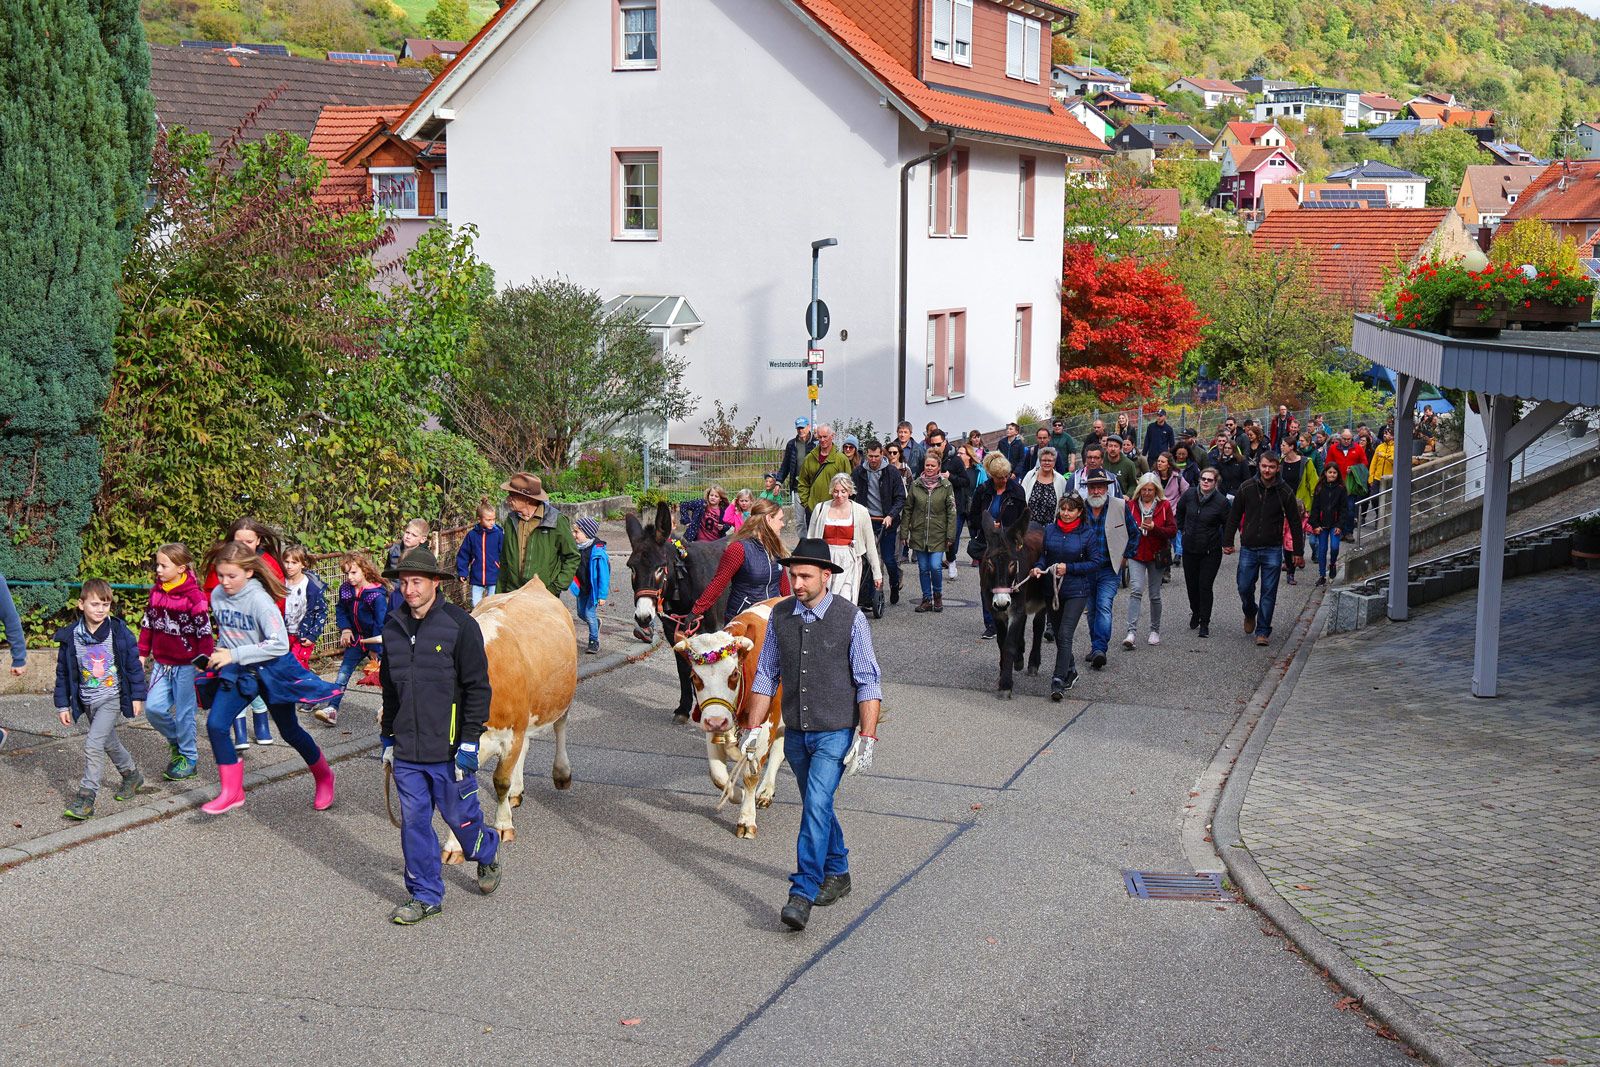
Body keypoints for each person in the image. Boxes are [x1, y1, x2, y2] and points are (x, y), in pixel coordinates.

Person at [740, 537, 883, 932]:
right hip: (796, 733)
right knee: (817, 806)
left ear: (826, 576)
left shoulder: (851, 618)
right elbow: (767, 674)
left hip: (835, 730)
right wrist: (754, 730)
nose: (797, 582)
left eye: (805, 576)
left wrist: (867, 738)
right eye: (792, 575)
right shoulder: (781, 616)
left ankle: (802, 892)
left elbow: (868, 680)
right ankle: (838, 871)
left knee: (816, 804)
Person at [379, 547, 501, 924]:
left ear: (435, 583)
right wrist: (387, 738)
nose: (409, 589)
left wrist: (469, 740)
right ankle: (426, 894)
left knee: (462, 822)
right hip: (408, 752)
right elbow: (389, 687)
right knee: (414, 824)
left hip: (450, 752)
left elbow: (478, 688)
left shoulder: (460, 626)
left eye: (417, 581)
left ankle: (487, 851)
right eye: (403, 582)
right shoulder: (392, 627)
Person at [199, 541, 339, 815]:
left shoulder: (260, 601)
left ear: (249, 572)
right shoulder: (217, 595)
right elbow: (229, 635)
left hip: (271, 670)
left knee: (290, 731)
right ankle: (232, 791)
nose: (225, 582)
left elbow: (279, 644)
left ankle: (324, 776)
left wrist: (235, 654)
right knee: (216, 725)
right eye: (221, 575)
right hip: (240, 672)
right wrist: (220, 655)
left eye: (232, 576)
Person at [56, 580, 149, 820]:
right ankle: (132, 775)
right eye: (95, 604)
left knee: (93, 744)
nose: (100, 609)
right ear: (81, 604)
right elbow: (64, 673)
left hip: (111, 698)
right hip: (87, 700)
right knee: (109, 742)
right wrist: (63, 704)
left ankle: (86, 799)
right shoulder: (71, 637)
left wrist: (138, 696)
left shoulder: (118, 633)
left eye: (105, 604)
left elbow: (133, 666)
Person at [203, 518, 285, 749]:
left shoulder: (267, 565)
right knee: (230, 688)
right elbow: (213, 593)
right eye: (239, 540)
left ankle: (262, 723)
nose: (244, 545)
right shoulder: (223, 568)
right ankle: (238, 731)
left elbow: (277, 601)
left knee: (285, 723)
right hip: (232, 638)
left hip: (262, 640)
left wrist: (258, 620)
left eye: (249, 540)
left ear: (258, 540)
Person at [138, 543, 213, 782]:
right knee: (154, 709)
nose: (158, 569)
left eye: (163, 565)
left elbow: (204, 633)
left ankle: (189, 759)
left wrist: (203, 661)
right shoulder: (156, 592)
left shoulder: (194, 597)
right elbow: (147, 624)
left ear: (181, 568)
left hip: (187, 666)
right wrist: (141, 653)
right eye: (157, 564)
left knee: (185, 714)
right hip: (162, 663)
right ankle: (177, 742)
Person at [1224, 453, 1304, 647]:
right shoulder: (1247, 487)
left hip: (1272, 548)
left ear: (1278, 468)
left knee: (1269, 591)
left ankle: (1263, 630)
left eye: (1271, 467)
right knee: (1244, 586)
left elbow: (1294, 521)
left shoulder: (1284, 491)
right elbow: (1234, 515)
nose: (1267, 470)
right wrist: (1227, 540)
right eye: (1264, 466)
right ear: (1259, 466)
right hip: (1249, 547)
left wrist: (1298, 552)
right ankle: (1250, 611)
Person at [1035, 493, 1104, 697]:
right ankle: (1071, 670)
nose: (1065, 514)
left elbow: (1095, 562)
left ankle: (1058, 679)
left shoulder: (1087, 534)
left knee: (1065, 634)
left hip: (1077, 590)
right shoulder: (1049, 530)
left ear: (1079, 512)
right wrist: (1038, 568)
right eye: (1063, 509)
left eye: (1070, 510)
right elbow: (1043, 556)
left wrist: (1070, 568)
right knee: (1058, 634)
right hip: (1052, 590)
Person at [316, 551, 388, 727]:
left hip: (374, 642)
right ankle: (332, 709)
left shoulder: (376, 595)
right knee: (343, 674)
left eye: (353, 572)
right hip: (356, 641)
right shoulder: (346, 590)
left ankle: (389, 710)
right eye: (346, 573)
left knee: (384, 678)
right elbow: (341, 610)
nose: (349, 577)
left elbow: (380, 622)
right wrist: (346, 629)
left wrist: (375, 648)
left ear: (364, 570)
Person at [692, 498, 793, 619]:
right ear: (768, 519)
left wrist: (790, 612)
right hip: (743, 620)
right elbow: (718, 584)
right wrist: (695, 612)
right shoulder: (738, 549)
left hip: (769, 618)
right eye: (780, 519)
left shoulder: (775, 548)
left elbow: (783, 585)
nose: (783, 524)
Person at [969, 453, 1028, 639]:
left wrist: (1014, 534)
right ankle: (991, 623)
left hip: (1009, 544)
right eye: (999, 477)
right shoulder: (982, 490)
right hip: (988, 543)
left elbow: (1023, 517)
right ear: (991, 476)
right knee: (986, 582)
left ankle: (1012, 615)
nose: (1003, 480)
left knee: (1010, 580)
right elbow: (973, 517)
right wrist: (986, 525)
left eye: (1005, 476)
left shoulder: (1017, 491)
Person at [497, 473, 581, 598]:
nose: (508, 499)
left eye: (512, 495)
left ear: (527, 499)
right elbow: (504, 559)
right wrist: (499, 594)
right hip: (512, 593)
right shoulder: (511, 520)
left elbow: (572, 556)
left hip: (543, 595)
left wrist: (555, 588)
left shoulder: (555, 521)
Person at [1082, 470, 1134, 669]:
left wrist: (1125, 556)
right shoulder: (1080, 507)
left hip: (1109, 569)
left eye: (1100, 487)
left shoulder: (1120, 505)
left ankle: (1100, 649)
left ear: (1107, 487)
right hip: (1086, 569)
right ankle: (1096, 646)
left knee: (1104, 606)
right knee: (1092, 609)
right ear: (1087, 488)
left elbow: (1134, 533)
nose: (1096, 491)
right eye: (1093, 487)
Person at [807, 473, 884, 605]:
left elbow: (871, 545)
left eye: (843, 491)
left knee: (845, 599)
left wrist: (877, 574)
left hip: (849, 561)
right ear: (831, 490)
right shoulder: (820, 509)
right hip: (825, 560)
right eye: (836, 491)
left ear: (850, 491)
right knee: (822, 600)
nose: (839, 495)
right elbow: (810, 540)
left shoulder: (861, 511)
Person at [1123, 473, 1177, 649]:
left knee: (1154, 594)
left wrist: (1155, 528)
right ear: (1139, 490)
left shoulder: (1164, 506)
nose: (1147, 493)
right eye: (1144, 490)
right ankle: (1131, 632)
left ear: (1156, 491)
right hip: (1136, 553)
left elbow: (1172, 531)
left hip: (1156, 554)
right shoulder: (1130, 505)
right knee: (1136, 590)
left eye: (1150, 490)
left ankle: (1155, 630)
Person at [1176, 467, 1229, 638]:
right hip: (1190, 548)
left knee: (1205, 586)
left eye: (1209, 480)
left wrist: (1224, 542)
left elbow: (1228, 523)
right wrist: (1183, 529)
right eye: (1203, 479)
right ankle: (1196, 612)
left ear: (1215, 482)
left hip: (1210, 551)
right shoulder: (1190, 494)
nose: (1205, 482)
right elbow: (1180, 510)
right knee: (1192, 586)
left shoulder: (1221, 502)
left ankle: (1205, 622)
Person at [853, 440, 905, 606]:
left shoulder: (891, 472)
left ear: (882, 454)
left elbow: (900, 498)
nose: (873, 460)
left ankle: (895, 583)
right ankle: (869, 597)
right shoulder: (859, 472)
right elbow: (853, 495)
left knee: (889, 559)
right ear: (866, 455)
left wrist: (890, 515)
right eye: (870, 456)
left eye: (876, 456)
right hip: (867, 521)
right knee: (868, 559)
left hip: (886, 521)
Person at [905, 453, 956, 613]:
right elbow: (907, 509)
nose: (929, 468)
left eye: (933, 466)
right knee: (923, 568)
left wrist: (950, 535)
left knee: (935, 566)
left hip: (938, 533)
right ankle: (926, 599)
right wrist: (904, 532)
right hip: (919, 532)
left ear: (938, 467)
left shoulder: (946, 486)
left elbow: (952, 511)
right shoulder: (916, 484)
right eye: (927, 465)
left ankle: (938, 595)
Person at [281, 545, 327, 671]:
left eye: (294, 563)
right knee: (283, 668)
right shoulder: (280, 582)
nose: (289, 566)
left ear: (303, 564)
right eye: (286, 562)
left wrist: (313, 635)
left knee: (297, 668)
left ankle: (313, 689)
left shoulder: (311, 586)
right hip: (282, 634)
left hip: (302, 635)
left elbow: (321, 611)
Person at [571, 516, 611, 655]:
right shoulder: (575, 548)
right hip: (582, 587)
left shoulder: (598, 552)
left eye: (577, 532)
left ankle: (594, 640)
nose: (573, 535)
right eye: (573, 532)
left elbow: (604, 576)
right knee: (581, 613)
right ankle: (596, 622)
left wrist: (602, 595)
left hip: (593, 590)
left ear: (587, 533)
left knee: (588, 613)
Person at [455, 500, 504, 608]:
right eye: (488, 520)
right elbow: (464, 554)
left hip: (494, 575)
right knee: (476, 604)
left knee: (493, 603)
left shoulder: (499, 535)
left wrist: (503, 569)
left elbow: (503, 553)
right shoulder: (472, 535)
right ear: (479, 519)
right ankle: (477, 623)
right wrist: (462, 572)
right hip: (477, 575)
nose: (492, 522)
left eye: (494, 519)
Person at [1309, 463, 1351, 586]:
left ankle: (1332, 564)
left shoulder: (1341, 489)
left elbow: (1344, 509)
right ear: (1325, 473)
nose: (1332, 474)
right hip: (1322, 524)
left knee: (1334, 547)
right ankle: (1322, 575)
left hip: (1335, 524)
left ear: (1337, 474)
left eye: (1334, 472)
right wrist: (1315, 524)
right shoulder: (1320, 487)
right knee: (1322, 550)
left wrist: (1340, 525)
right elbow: (1315, 508)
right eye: (1330, 472)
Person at [799, 425, 853, 519]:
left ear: (832, 436)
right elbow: (802, 482)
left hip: (835, 510)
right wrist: (806, 504)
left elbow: (848, 485)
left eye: (825, 437)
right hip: (813, 510)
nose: (822, 440)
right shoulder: (809, 458)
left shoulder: (841, 459)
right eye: (820, 437)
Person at [1324, 429, 1370, 531]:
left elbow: (1365, 463)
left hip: (1350, 484)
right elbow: (1328, 463)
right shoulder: (1333, 448)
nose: (1346, 441)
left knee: (1350, 509)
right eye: (1344, 439)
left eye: (1349, 439)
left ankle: (1348, 531)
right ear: (1340, 438)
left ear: (1352, 438)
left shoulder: (1358, 448)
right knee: (1336, 508)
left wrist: (1353, 469)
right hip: (1336, 483)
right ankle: (1339, 530)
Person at [1022, 446, 1070, 527]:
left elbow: (1064, 502)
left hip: (1051, 527)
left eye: (1050, 460)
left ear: (1054, 462)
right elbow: (1022, 496)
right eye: (1044, 460)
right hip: (1029, 527)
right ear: (1040, 461)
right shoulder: (1030, 475)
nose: (1047, 463)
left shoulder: (1061, 480)